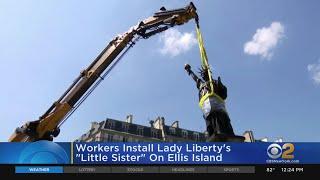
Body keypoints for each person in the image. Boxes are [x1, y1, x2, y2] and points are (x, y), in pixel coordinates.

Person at [184, 64, 235, 139]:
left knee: (222, 124)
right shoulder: (201, 84)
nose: (204, 75)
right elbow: (195, 78)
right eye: (202, 74)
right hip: (207, 109)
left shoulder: (215, 82)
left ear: (209, 74)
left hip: (218, 108)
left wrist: (221, 86)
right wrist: (189, 71)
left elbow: (224, 95)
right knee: (210, 127)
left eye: (205, 74)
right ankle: (212, 137)